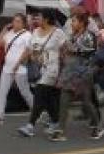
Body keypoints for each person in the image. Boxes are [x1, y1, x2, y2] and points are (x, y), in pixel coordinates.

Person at [52, 11, 104, 141]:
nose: (71, 24)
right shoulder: (72, 35)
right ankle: (60, 130)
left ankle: (96, 126)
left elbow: (79, 51)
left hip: (83, 72)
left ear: (81, 23)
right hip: (69, 72)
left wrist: (68, 49)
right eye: (71, 21)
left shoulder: (89, 36)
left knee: (86, 102)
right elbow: (66, 50)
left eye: (74, 21)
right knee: (64, 100)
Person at [17, 9, 67, 138]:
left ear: (46, 19)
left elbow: (64, 53)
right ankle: (56, 122)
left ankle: (30, 126)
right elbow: (30, 49)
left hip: (52, 69)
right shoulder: (35, 32)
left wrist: (63, 72)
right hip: (39, 69)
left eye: (38, 17)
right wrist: (20, 62)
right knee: (48, 98)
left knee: (39, 94)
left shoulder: (58, 33)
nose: (36, 20)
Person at [0, 13, 34, 125]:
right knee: (2, 92)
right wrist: (5, 28)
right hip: (7, 68)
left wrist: (18, 63)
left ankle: (38, 111)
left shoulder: (27, 35)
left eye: (18, 21)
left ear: (23, 23)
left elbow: (28, 50)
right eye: (14, 21)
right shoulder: (9, 34)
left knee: (25, 92)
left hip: (19, 69)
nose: (15, 23)